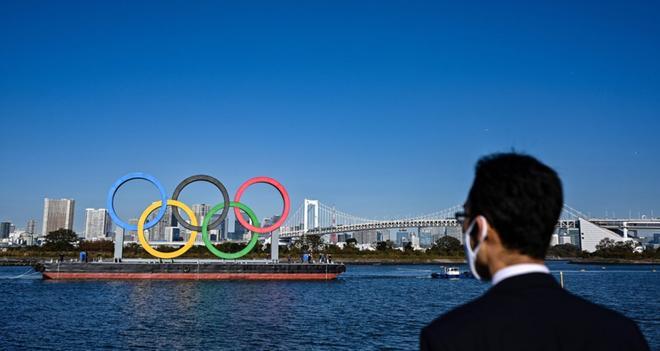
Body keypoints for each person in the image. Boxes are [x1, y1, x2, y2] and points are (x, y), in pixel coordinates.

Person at [420, 153, 649, 351]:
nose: (462, 227)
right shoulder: (621, 333)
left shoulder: (448, 336)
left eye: (464, 218)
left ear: (480, 228)